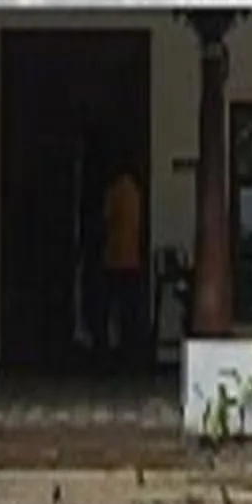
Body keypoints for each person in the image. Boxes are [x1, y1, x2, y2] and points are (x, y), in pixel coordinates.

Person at [100, 155, 148, 367]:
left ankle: (113, 351)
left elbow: (106, 219)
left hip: (114, 258)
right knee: (131, 309)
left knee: (113, 308)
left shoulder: (115, 191)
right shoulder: (135, 191)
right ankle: (132, 350)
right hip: (133, 258)